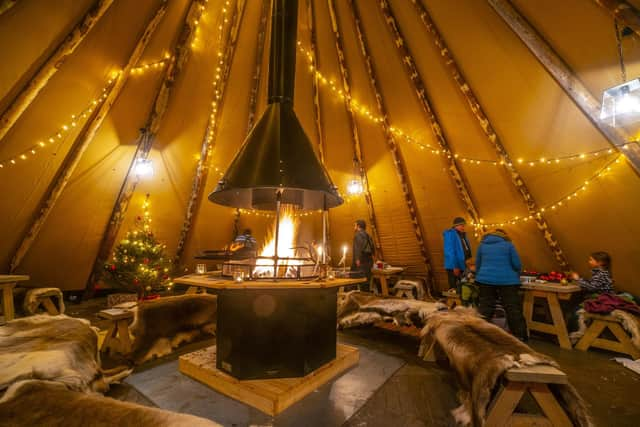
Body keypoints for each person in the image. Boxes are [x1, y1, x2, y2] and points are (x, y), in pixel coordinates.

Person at [475, 228, 528, 341]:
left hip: (485, 280)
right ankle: (520, 336)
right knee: (512, 308)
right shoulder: (508, 245)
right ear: (503, 235)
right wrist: (516, 274)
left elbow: (478, 264)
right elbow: (517, 264)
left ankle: (480, 335)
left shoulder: (482, 245)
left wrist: (481, 276)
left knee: (485, 307)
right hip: (507, 281)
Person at [443, 217, 472, 293]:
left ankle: (462, 303)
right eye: (462, 225)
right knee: (454, 289)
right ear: (456, 226)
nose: (463, 227)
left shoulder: (463, 235)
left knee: (463, 287)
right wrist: (455, 266)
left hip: (463, 265)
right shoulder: (450, 234)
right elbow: (449, 252)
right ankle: (454, 303)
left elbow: (465, 249)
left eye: (464, 225)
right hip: (454, 266)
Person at [352, 219, 375, 292]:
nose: (354, 227)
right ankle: (367, 298)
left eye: (355, 225)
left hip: (361, 260)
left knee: (357, 281)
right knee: (366, 281)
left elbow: (357, 248)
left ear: (358, 226)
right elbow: (373, 248)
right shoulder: (368, 235)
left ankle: (358, 299)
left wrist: (357, 260)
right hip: (369, 260)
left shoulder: (358, 235)